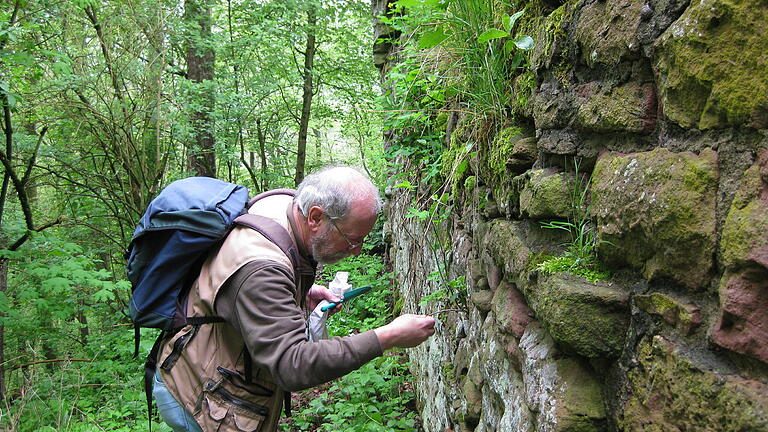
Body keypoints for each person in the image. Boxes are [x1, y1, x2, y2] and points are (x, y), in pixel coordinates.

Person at [153, 165, 436, 432]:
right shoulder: (262, 269)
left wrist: (296, 295)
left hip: (206, 369)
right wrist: (387, 337)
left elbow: (243, 291)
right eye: (352, 240)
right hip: (196, 396)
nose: (357, 251)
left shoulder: (282, 208)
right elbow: (291, 364)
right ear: (315, 217)